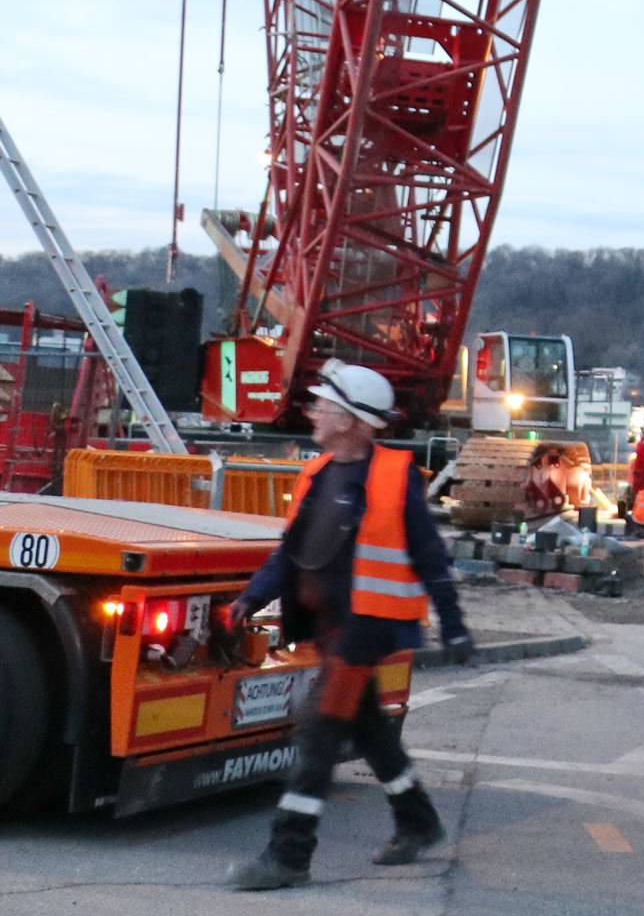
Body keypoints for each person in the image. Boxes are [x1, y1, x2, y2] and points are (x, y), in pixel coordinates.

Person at [223, 362, 475, 891]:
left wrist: (453, 625)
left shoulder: (394, 475)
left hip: (368, 627)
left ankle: (288, 855)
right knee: (370, 731)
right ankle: (419, 823)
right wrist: (252, 595)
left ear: (354, 420)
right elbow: (291, 553)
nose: (314, 411)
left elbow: (429, 556)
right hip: (330, 626)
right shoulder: (316, 473)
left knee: (318, 730)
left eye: (325, 405)